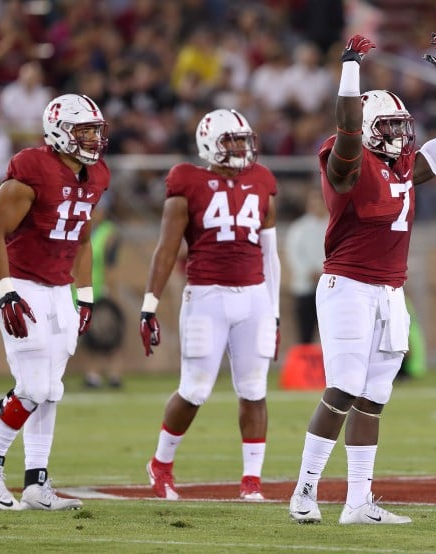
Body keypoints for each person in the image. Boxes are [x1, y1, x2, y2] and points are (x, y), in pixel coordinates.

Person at [288, 32, 436, 524]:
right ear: (365, 128)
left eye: (400, 125)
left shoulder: (404, 164)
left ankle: (358, 503)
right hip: (348, 285)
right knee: (343, 386)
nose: (400, 134)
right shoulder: (348, 164)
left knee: (373, 398)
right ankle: (304, 491)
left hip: (390, 291)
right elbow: (346, 130)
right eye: (388, 125)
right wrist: (350, 69)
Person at [139, 108, 280, 502]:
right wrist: (149, 304)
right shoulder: (187, 180)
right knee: (195, 389)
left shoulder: (262, 180)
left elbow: (271, 256)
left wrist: (275, 311)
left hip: (253, 297)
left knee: (254, 389)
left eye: (243, 139)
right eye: (230, 140)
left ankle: (252, 480)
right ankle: (161, 464)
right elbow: (166, 250)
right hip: (206, 295)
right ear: (208, 144)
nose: (239, 148)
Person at [0, 93, 110, 510]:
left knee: (52, 389)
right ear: (59, 131)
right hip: (21, 283)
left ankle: (35, 484)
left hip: (60, 287)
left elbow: (82, 238)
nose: (94, 139)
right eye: (85, 131)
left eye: (97, 130)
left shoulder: (95, 176)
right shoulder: (31, 169)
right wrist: (5, 289)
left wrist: (86, 294)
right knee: (32, 386)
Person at [78, 193, 125, 389]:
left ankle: (114, 374)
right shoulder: (83, 230)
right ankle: (93, 375)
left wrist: (110, 292)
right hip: (82, 290)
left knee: (110, 333)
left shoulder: (109, 232)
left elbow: (110, 265)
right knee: (88, 336)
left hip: (100, 291)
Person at [284, 188, 327, 344]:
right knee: (305, 334)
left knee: (330, 334)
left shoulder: (333, 225)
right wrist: (309, 272)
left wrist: (325, 273)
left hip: (330, 287)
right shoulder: (299, 228)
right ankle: (307, 366)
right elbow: (293, 254)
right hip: (305, 286)